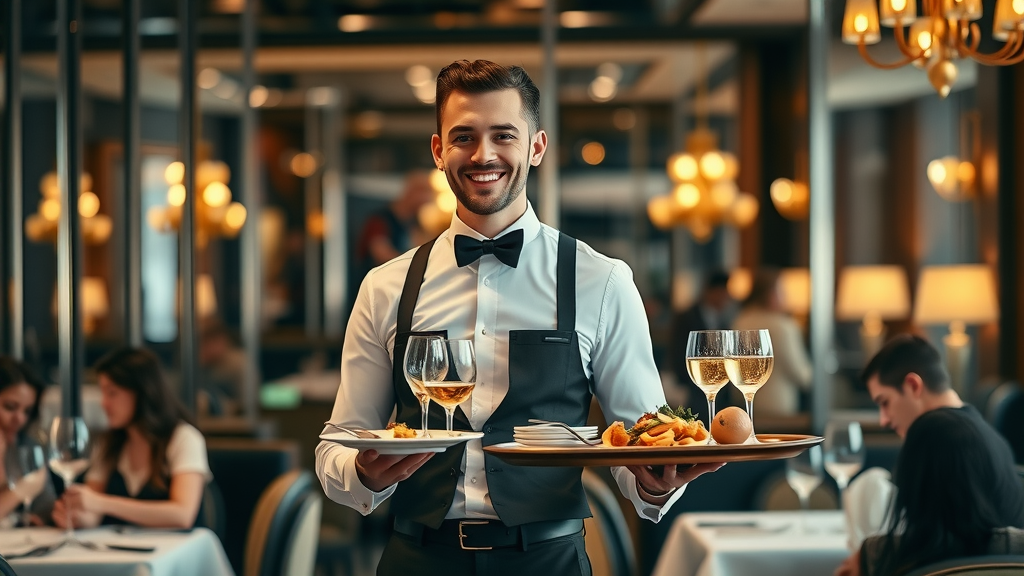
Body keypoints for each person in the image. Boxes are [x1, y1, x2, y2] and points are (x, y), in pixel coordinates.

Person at [315, 59, 722, 576]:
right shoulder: (386, 286)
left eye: (503, 134)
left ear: (537, 146)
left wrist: (653, 480)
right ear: (439, 150)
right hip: (416, 559)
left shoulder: (601, 281)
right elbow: (337, 444)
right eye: (463, 137)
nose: (483, 154)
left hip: (550, 561)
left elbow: (642, 438)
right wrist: (364, 475)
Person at [834, 339, 1024, 575]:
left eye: (885, 402)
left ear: (913, 385)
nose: (884, 420)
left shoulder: (937, 432)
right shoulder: (984, 432)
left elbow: (947, 547)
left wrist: (870, 555)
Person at [54, 347, 212, 530]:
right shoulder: (110, 444)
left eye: (112, 393)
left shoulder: (184, 438)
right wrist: (75, 517)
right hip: (121, 552)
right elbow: (93, 513)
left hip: (178, 554)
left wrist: (101, 503)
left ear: (142, 391)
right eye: (103, 393)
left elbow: (182, 515)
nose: (103, 403)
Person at [731, 268, 812, 416]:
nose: (786, 296)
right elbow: (800, 374)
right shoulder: (782, 326)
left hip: (742, 408)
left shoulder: (740, 321)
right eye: (782, 291)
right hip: (778, 408)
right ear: (771, 294)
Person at [353, 170, 436, 283]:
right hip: (377, 290)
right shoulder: (379, 220)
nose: (427, 199)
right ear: (412, 192)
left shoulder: (414, 224)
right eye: (425, 192)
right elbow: (382, 256)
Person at [0, 357, 52, 524]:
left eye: (27, 411)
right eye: (10, 407)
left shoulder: (27, 445)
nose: (20, 419)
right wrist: (21, 490)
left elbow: (46, 507)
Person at [669, 270, 733, 391]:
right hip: (692, 390)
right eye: (723, 292)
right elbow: (678, 353)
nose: (727, 297)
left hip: (720, 391)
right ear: (710, 291)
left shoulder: (724, 321)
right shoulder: (686, 317)